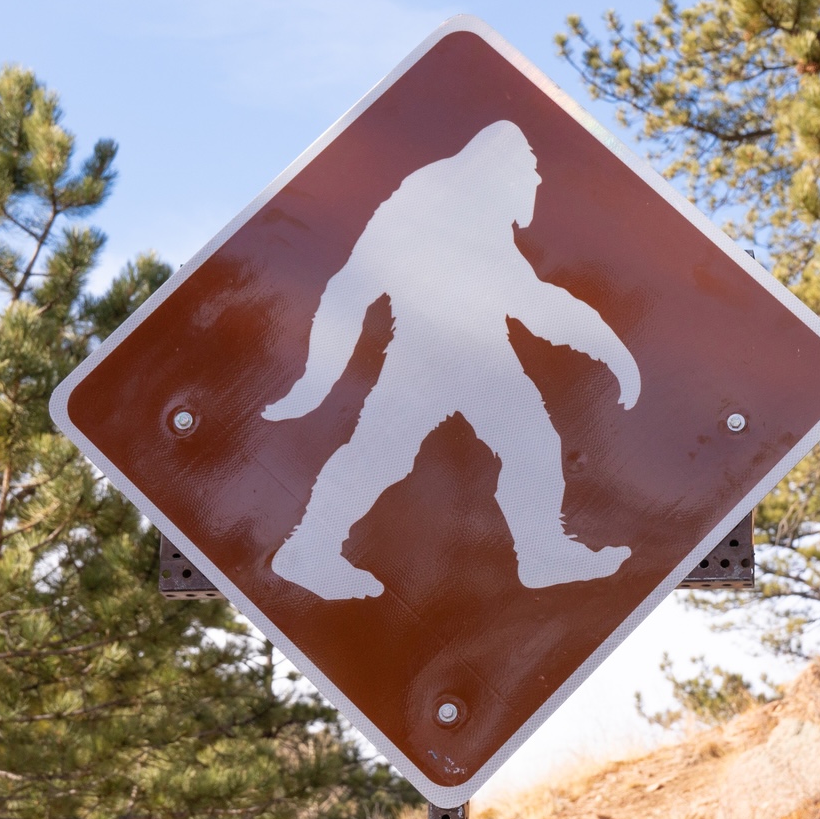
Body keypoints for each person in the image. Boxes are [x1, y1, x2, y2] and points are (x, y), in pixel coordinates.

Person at [263, 120, 642, 600]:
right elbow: (351, 287)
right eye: (530, 169)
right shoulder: (424, 202)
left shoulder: (485, 218)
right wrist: (314, 383)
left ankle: (544, 553)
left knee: (533, 447)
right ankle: (309, 551)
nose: (537, 181)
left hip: (481, 355)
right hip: (426, 355)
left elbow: (531, 299)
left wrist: (613, 352)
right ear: (499, 166)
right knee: (380, 456)